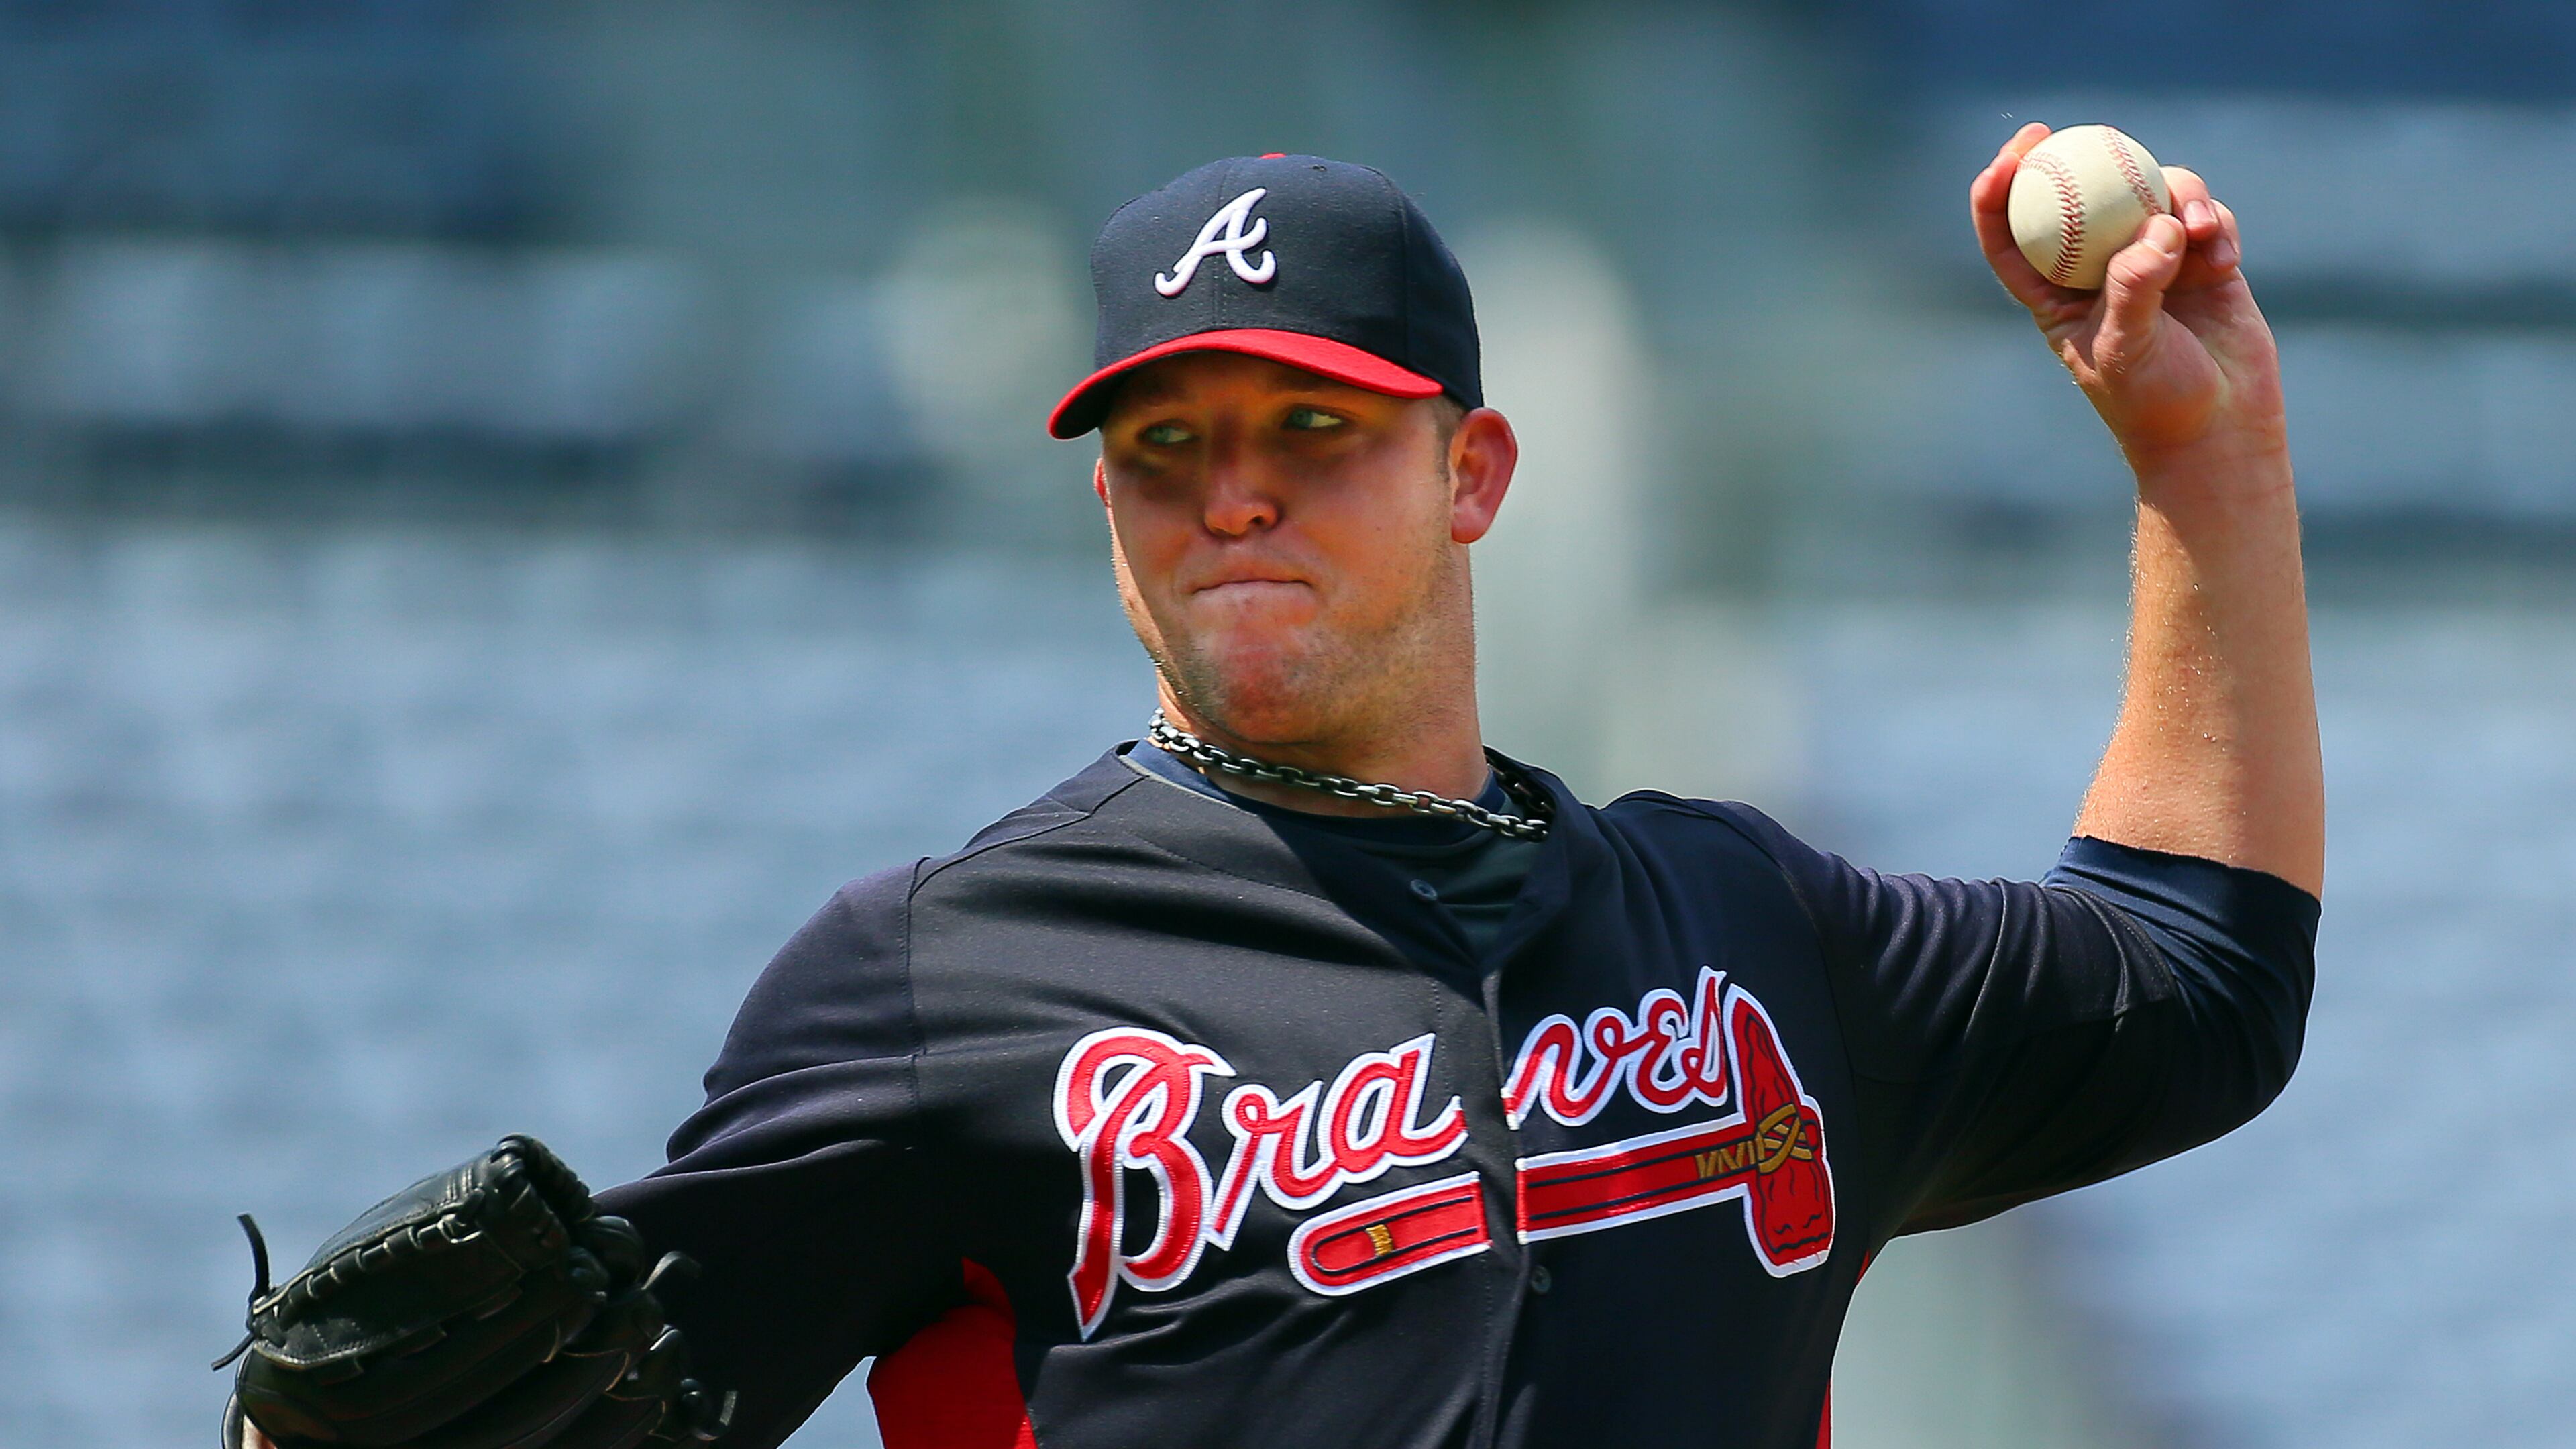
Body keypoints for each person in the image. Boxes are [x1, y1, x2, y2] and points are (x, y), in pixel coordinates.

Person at [238, 134, 2322, 1449]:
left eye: (1313, 428)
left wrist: (2200, 462)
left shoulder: (1750, 924)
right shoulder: (941, 976)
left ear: (1474, 475)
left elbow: (2198, 976)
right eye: (1166, 443)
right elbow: (564, 1401)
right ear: (1107, 500)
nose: (1231, 492)